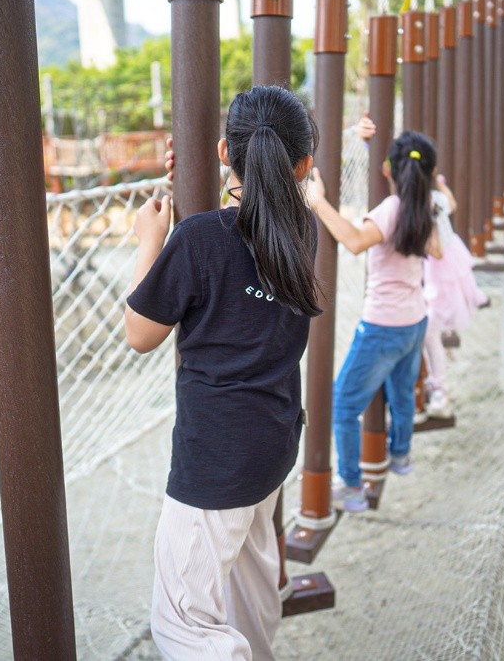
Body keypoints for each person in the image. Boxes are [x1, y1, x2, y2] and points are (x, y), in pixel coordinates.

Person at [124, 85, 319, 660]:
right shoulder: (301, 231)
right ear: (304, 164)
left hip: (215, 460)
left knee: (184, 624)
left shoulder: (195, 239)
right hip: (274, 443)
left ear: (220, 153)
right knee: (251, 590)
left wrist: (149, 242)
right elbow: (244, 233)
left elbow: (140, 335)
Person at [307, 130, 441, 512]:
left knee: (344, 404)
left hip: (382, 326)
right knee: (400, 393)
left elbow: (354, 241)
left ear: (387, 170)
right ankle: (400, 456)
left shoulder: (391, 208)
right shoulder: (423, 207)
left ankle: (351, 487)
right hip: (415, 322)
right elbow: (437, 249)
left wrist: (319, 203)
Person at [420, 173, 488, 421]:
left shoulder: (422, 201)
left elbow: (435, 250)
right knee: (431, 329)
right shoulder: (437, 194)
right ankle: (436, 385)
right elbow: (453, 204)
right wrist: (440, 183)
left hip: (442, 270)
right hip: (448, 262)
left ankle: (440, 390)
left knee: (429, 330)